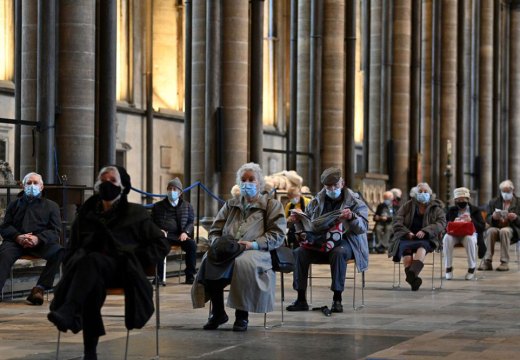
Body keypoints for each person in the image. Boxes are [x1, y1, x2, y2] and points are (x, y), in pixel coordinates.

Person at [47, 165, 170, 360]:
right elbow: (71, 248)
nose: (107, 184)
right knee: (91, 284)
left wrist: (138, 259)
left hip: (123, 270)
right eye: (103, 180)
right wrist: (73, 261)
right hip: (90, 274)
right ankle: (90, 353)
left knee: (91, 263)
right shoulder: (86, 215)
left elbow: (161, 244)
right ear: (97, 185)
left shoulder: (135, 213)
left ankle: (69, 309)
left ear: (122, 187)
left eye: (112, 181)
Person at [191, 162, 286, 332]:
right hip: (229, 249)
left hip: (256, 250)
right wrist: (217, 243)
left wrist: (254, 244)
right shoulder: (230, 205)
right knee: (209, 260)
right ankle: (218, 313)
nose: (247, 183)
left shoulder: (271, 205)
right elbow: (215, 230)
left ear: (259, 183)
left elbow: (277, 234)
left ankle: (242, 316)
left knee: (243, 264)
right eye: (243, 179)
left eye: (251, 179)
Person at [286, 166, 369, 313]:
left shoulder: (355, 202)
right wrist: (297, 220)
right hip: (320, 242)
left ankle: (337, 298)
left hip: (346, 242)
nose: (332, 189)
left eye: (335, 185)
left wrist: (352, 217)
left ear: (342, 184)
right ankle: (301, 299)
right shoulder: (315, 202)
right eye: (328, 186)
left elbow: (362, 228)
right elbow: (308, 224)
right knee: (299, 252)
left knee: (338, 252)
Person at [0, 172, 63, 305]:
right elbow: (5, 227)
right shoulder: (14, 204)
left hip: (40, 243)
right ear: (23, 186)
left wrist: (38, 238)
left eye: (35, 183)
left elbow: (55, 230)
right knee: (4, 254)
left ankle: (39, 289)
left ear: (41, 187)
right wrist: (18, 237)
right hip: (16, 242)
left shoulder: (52, 206)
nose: (32, 186)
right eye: (29, 183)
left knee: (59, 251)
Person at [389, 183, 446, 291]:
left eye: (425, 192)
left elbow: (441, 223)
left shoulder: (436, 207)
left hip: (427, 238)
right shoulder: (408, 205)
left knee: (422, 246)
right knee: (405, 248)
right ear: (415, 194)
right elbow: (397, 220)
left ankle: (411, 276)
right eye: (420, 192)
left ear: (429, 194)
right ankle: (413, 279)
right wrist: (406, 232)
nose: (423, 194)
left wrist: (425, 231)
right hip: (408, 236)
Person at [151, 177, 196, 285]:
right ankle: (159, 276)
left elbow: (191, 222)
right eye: (170, 188)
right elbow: (151, 222)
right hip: (164, 235)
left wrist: (186, 232)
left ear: (180, 192)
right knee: (159, 244)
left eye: (175, 189)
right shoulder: (158, 206)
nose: (172, 191)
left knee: (191, 245)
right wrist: (159, 231)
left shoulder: (187, 206)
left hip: (180, 235)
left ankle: (190, 276)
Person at [443, 187, 486, 280]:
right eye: (458, 200)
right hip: (454, 234)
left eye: (463, 199)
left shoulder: (475, 210)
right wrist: (453, 222)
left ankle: (471, 267)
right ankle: (448, 267)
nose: (461, 201)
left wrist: (471, 220)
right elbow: (445, 225)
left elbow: (482, 227)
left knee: (469, 239)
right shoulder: (451, 210)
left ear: (467, 199)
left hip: (468, 233)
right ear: (455, 200)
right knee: (446, 238)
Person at [478, 180, 520, 272]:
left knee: (504, 231)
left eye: (508, 192)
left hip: (513, 230)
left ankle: (504, 262)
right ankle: (487, 261)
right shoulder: (494, 202)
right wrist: (492, 217)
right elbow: (488, 218)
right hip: (497, 227)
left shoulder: (518, 202)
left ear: (513, 190)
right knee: (490, 231)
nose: (505, 194)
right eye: (503, 191)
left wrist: (516, 218)